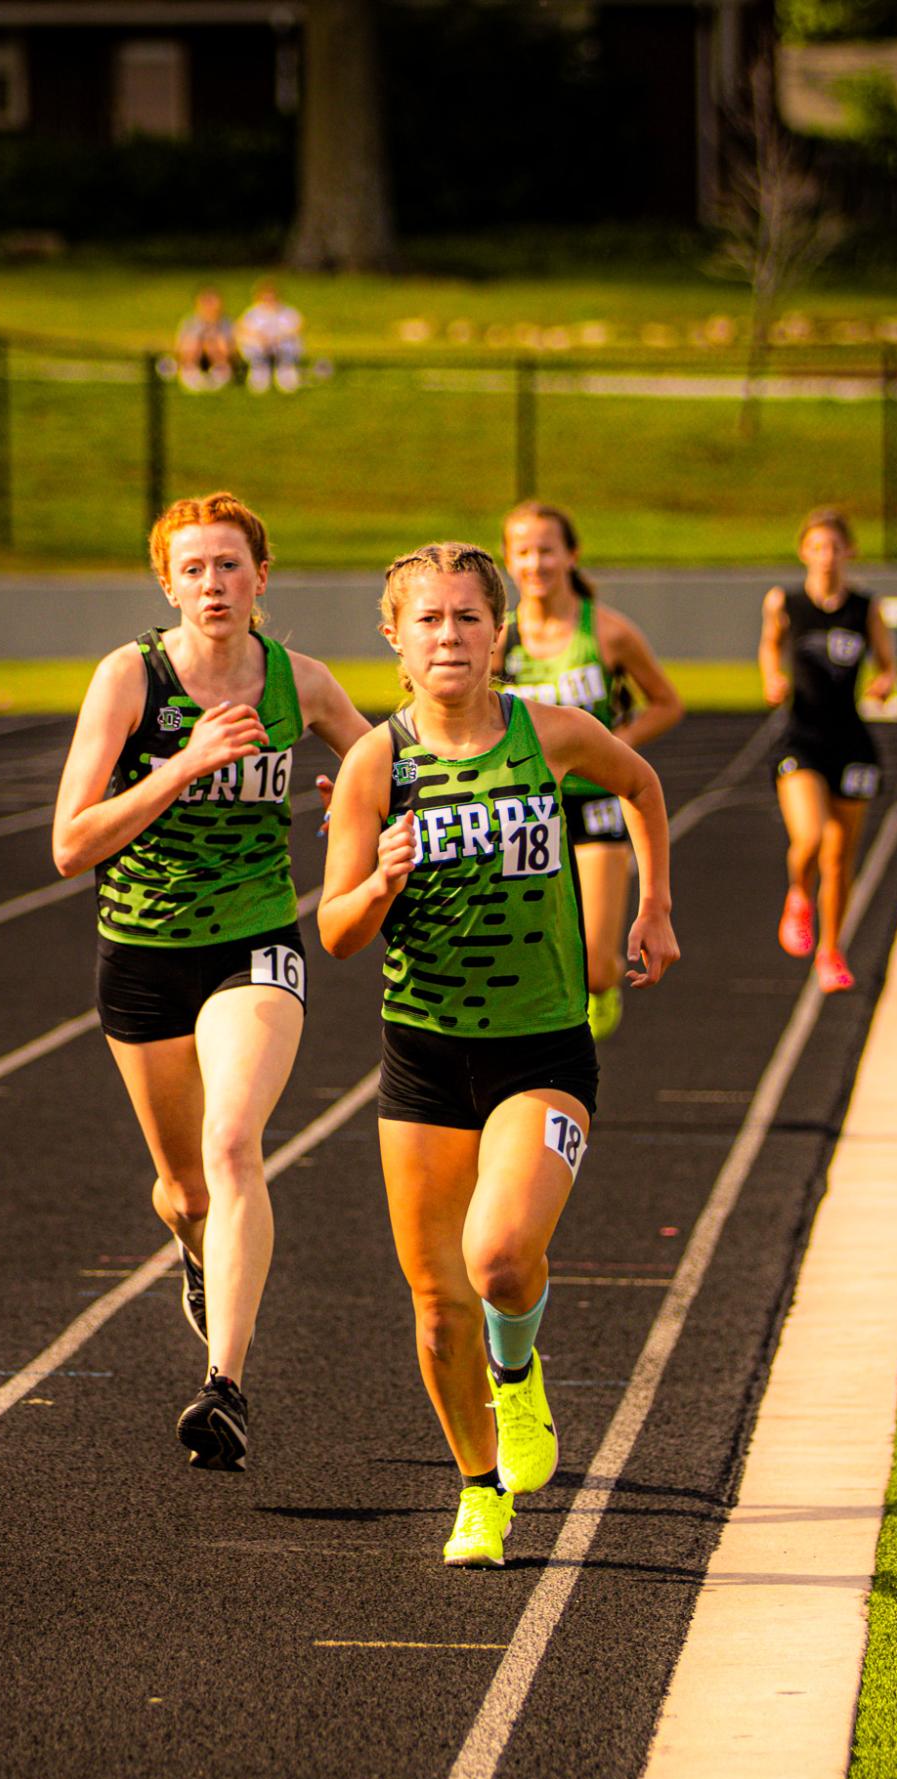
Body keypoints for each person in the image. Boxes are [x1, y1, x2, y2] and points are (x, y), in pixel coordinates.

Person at [319, 543, 678, 1567]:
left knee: (500, 1259)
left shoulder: (549, 733)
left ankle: (515, 1377)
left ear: (498, 632)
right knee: (436, 1310)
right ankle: (478, 1492)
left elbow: (643, 786)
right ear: (393, 637)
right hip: (425, 1059)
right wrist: (379, 883)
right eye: (427, 620)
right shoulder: (374, 766)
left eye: (466, 618)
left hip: (540, 1050)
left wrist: (652, 906)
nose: (448, 637)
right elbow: (338, 931)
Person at [52, 491, 370, 1468]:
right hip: (142, 950)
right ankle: (197, 1251)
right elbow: (69, 845)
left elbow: (385, 767)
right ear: (167, 584)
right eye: (191, 569)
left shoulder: (299, 682)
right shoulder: (130, 679)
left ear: (260, 577)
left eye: (228, 565)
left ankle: (223, 1387)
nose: (212, 584)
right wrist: (180, 767)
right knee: (185, 1188)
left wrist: (348, 798)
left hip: (255, 941)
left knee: (234, 1144)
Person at [495, 501, 684, 1043]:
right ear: (509, 560)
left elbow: (667, 703)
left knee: (600, 968)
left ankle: (594, 995)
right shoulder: (496, 641)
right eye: (524, 552)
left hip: (596, 802)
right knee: (522, 952)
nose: (536, 563)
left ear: (571, 554)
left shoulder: (608, 632)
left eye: (547, 549)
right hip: (526, 807)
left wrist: (617, 744)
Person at [758, 507, 896, 994]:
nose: (826, 556)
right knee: (811, 839)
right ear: (804, 552)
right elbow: (771, 645)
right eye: (817, 547)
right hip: (801, 735)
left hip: (851, 741)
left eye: (835, 547)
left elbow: (886, 659)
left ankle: (831, 950)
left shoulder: (865, 606)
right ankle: (799, 893)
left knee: (841, 857)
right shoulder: (787, 602)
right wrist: (771, 676)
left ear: (849, 551)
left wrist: (886, 680)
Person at [236, 280, 304, 394]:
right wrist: (259, 337)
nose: (269, 301)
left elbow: (297, 327)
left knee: (289, 344)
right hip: (260, 348)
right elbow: (241, 328)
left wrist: (280, 337)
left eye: (272, 297)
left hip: (281, 347)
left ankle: (285, 371)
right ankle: (260, 370)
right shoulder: (252, 313)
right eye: (266, 297)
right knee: (251, 344)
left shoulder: (287, 312)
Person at [175, 289, 237, 391]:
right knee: (194, 342)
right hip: (195, 356)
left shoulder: (226, 323)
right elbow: (180, 347)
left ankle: (220, 372)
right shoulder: (190, 322)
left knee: (216, 342)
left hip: (219, 356)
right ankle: (190, 372)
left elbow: (231, 348)